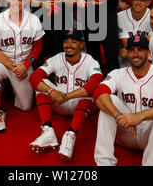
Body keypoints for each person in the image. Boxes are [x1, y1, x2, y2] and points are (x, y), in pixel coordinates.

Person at [93, 34, 153, 166]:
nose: (136, 54)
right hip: (126, 132)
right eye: (131, 50)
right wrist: (117, 115)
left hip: (150, 136)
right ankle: (104, 163)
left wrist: (138, 117)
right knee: (109, 100)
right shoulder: (118, 74)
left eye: (140, 49)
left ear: (148, 53)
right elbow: (98, 93)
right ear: (127, 52)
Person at [28, 29, 103, 161]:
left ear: (81, 44)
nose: (69, 45)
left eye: (73, 42)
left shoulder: (90, 61)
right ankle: (48, 130)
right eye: (66, 41)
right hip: (58, 101)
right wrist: (51, 91)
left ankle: (70, 135)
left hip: (80, 103)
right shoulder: (57, 58)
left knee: (93, 90)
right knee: (42, 83)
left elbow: (96, 81)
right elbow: (34, 77)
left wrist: (67, 96)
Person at [0, 0, 44, 132]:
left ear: (25, 1)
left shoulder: (33, 20)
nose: (16, 2)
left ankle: (10, 87)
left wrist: (25, 65)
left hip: (24, 63)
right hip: (3, 62)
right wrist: (13, 66)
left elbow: (38, 47)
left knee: (26, 106)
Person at [117, 0, 151, 68]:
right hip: (125, 65)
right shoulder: (121, 16)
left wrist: (130, 46)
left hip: (147, 63)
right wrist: (145, 39)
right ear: (132, 0)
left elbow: (152, 40)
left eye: (142, 0)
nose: (138, 2)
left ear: (148, 2)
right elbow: (125, 41)